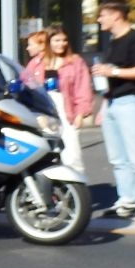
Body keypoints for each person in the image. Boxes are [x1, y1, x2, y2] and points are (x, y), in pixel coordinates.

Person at [92, 0, 135, 219]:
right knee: (117, 157)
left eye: (102, 14)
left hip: (132, 101)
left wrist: (114, 73)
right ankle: (127, 199)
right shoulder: (113, 42)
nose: (99, 19)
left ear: (116, 15)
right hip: (113, 102)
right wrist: (104, 104)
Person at [42, 26, 91, 177]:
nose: (61, 44)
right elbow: (28, 84)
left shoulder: (75, 62)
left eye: (64, 40)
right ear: (48, 42)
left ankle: (76, 188)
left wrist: (80, 114)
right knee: (46, 153)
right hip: (44, 112)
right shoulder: (38, 62)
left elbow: (83, 88)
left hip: (66, 110)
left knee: (72, 153)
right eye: (57, 40)